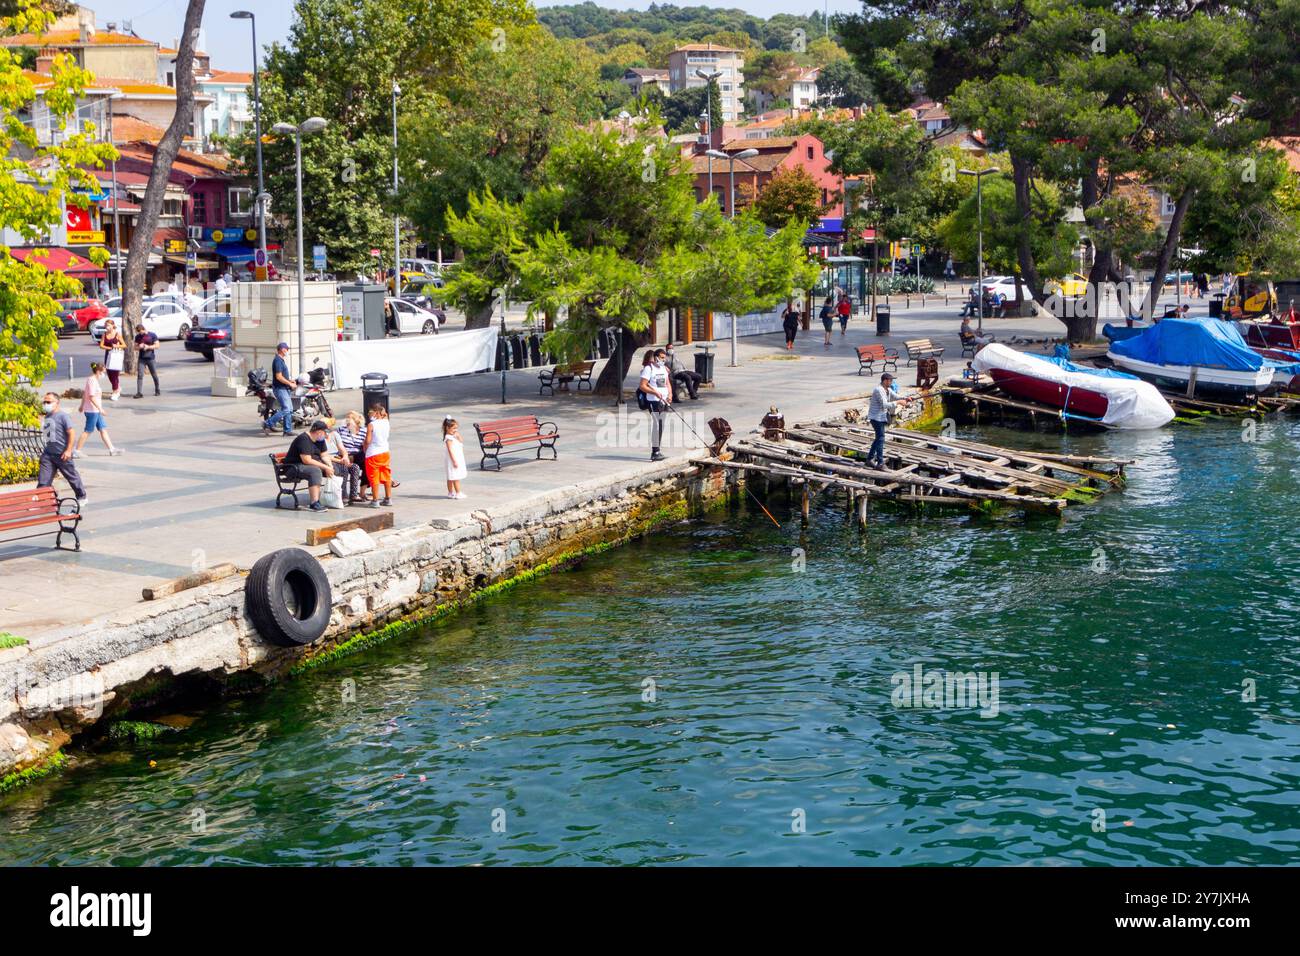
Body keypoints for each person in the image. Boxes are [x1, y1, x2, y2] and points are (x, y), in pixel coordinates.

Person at [37, 393, 87, 506]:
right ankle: (41, 501)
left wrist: (69, 450)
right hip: (49, 454)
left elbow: (71, 433)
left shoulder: (63, 416)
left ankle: (82, 497)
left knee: (71, 476)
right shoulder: (47, 416)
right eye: (44, 402)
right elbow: (48, 435)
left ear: (57, 403)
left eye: (48, 402)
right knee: (43, 479)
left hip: (62, 454)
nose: (45, 404)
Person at [284, 421, 334, 512]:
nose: (326, 435)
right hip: (293, 467)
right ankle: (314, 503)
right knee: (315, 471)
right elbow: (306, 460)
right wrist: (325, 467)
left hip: (309, 465)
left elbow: (324, 455)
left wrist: (330, 466)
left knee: (337, 468)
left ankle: (338, 496)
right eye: (325, 433)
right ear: (319, 432)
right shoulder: (303, 439)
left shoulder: (320, 440)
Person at [74, 363, 122, 458]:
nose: (104, 374)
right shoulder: (92, 381)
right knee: (88, 431)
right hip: (93, 411)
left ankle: (112, 449)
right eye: (103, 372)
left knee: (103, 429)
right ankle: (76, 451)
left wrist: (82, 405)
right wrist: (100, 409)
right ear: (98, 371)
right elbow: (91, 397)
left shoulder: (93, 380)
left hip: (95, 410)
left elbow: (85, 394)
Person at [316, 417, 360, 506]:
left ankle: (353, 495)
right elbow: (324, 455)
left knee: (355, 467)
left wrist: (345, 457)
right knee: (343, 468)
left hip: (338, 459)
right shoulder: (319, 438)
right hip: (327, 461)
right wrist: (339, 461)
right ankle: (343, 495)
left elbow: (342, 448)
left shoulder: (335, 434)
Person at [638, 348, 671, 462]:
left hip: (664, 400)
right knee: (657, 424)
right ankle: (655, 451)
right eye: (661, 357)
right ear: (656, 357)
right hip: (653, 400)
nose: (663, 359)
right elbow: (643, 386)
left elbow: (667, 383)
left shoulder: (664, 369)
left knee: (661, 425)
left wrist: (670, 394)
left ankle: (658, 450)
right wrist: (655, 392)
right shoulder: (648, 369)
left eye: (664, 357)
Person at [362, 403, 392, 507]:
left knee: (374, 477)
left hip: (373, 453)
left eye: (371, 412)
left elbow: (368, 440)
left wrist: (364, 446)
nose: (370, 415)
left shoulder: (371, 425)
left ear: (377, 412)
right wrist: (383, 412)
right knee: (386, 474)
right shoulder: (386, 422)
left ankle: (375, 500)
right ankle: (388, 498)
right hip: (385, 452)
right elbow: (386, 415)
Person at [866, 372, 898, 470]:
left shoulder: (887, 389)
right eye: (890, 380)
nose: (891, 382)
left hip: (881, 417)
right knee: (880, 438)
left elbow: (896, 397)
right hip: (876, 418)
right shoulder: (879, 390)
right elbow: (885, 404)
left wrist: (906, 399)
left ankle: (869, 459)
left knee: (879, 438)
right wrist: (898, 403)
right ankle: (880, 462)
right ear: (885, 381)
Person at [263, 342, 295, 436]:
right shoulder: (277, 360)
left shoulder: (281, 360)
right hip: (280, 389)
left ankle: (287, 430)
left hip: (284, 388)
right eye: (286, 349)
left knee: (289, 409)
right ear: (282, 349)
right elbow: (278, 377)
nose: (287, 351)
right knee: (286, 409)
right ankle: (267, 423)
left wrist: (290, 381)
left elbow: (282, 376)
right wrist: (290, 383)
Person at [338, 411, 368, 504]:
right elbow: (336, 443)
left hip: (358, 456)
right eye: (346, 420)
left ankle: (362, 492)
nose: (346, 422)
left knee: (368, 465)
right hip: (344, 455)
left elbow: (366, 445)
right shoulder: (341, 429)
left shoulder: (364, 431)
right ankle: (346, 495)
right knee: (354, 465)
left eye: (349, 420)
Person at [99, 319, 125, 401]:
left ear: (113, 326)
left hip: (116, 355)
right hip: (108, 355)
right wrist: (110, 347)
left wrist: (116, 346)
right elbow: (101, 345)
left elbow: (124, 345)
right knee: (109, 374)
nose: (107, 327)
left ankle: (115, 392)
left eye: (108, 325)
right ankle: (117, 387)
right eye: (106, 325)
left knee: (115, 374)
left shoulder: (117, 334)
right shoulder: (105, 334)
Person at [132, 321, 160, 398]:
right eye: (139, 332)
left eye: (141, 332)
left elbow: (157, 345)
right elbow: (134, 347)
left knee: (154, 374)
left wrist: (148, 347)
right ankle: (139, 392)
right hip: (142, 358)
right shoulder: (138, 337)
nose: (140, 334)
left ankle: (157, 389)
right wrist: (139, 347)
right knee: (140, 375)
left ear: (144, 329)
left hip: (150, 357)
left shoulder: (152, 335)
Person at [443, 416, 467, 499]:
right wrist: (454, 461)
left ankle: (450, 493)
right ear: (447, 428)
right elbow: (449, 450)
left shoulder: (454, 436)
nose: (455, 430)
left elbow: (461, 440)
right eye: (453, 428)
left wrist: (458, 435)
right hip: (452, 459)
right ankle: (458, 493)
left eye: (456, 428)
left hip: (456, 458)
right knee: (455, 477)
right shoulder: (448, 438)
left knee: (451, 476)